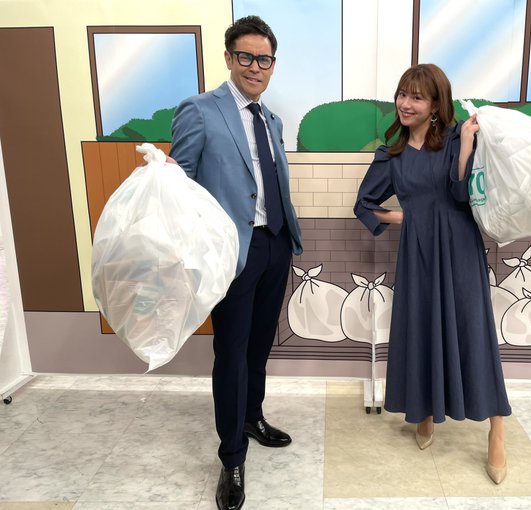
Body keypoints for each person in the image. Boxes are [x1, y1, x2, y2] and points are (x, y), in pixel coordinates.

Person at [354, 64, 512, 484]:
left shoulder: (458, 139)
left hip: (460, 249)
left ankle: (497, 429)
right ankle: (424, 411)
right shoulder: (391, 155)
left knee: (474, 334)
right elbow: (363, 204)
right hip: (418, 253)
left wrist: (466, 146)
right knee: (421, 330)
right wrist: (406, 218)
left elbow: (462, 194)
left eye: (417, 97)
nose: (405, 104)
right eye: (402, 94)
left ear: (436, 105)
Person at [169, 16, 303, 510]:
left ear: (273, 65)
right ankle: (231, 458)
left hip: (275, 244)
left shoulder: (272, 120)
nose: (254, 66)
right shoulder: (201, 110)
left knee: (260, 345)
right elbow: (180, 184)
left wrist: (285, 237)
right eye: (245, 56)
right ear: (228, 58)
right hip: (231, 252)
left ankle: (252, 416)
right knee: (231, 351)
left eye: (263, 59)